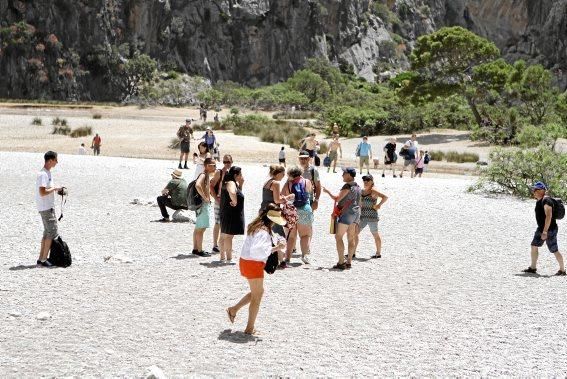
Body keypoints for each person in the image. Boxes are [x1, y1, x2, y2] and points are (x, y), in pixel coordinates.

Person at [226, 204, 287, 335]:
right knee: (257, 296)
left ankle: (233, 310)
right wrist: (276, 248)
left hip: (247, 261)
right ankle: (249, 328)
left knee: (257, 293)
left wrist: (276, 243)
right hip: (253, 263)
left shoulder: (257, 226)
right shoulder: (263, 231)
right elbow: (257, 251)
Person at [522, 182, 565, 275]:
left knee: (554, 249)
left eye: (536, 190)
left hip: (549, 229)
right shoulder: (540, 200)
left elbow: (549, 216)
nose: (534, 191)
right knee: (534, 245)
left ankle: (562, 270)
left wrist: (545, 231)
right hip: (541, 228)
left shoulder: (546, 201)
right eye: (534, 189)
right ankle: (533, 267)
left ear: (542, 190)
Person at [322, 167, 361, 270]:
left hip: (347, 214)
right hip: (356, 214)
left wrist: (327, 192)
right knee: (351, 238)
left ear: (349, 175)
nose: (342, 175)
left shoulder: (347, 186)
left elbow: (337, 198)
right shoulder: (358, 187)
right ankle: (349, 262)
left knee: (338, 237)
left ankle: (340, 262)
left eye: (344, 173)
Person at [281, 165, 313, 265]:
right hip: (305, 209)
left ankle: (287, 258)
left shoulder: (288, 184)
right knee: (305, 235)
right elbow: (310, 192)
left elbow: (282, 196)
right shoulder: (307, 182)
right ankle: (305, 256)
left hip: (291, 210)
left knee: (291, 236)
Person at [36, 151, 64, 267]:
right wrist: (54, 189)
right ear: (50, 160)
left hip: (47, 207)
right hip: (46, 208)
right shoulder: (43, 174)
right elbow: (42, 192)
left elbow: (45, 190)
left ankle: (41, 258)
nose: (57, 162)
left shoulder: (47, 173)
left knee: (46, 232)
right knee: (51, 232)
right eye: (55, 160)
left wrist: (56, 190)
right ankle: (43, 259)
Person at [356, 174, 388, 258]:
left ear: (372, 182)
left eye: (368, 180)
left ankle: (378, 253)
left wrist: (379, 205)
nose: (365, 182)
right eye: (364, 180)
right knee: (355, 233)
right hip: (362, 216)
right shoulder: (362, 191)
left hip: (372, 217)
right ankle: (353, 252)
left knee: (375, 234)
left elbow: (385, 197)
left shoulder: (374, 191)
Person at [219, 166, 245, 262]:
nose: (241, 176)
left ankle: (222, 257)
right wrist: (234, 201)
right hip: (230, 213)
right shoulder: (231, 183)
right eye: (240, 174)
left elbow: (237, 193)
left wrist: (241, 185)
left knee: (224, 235)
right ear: (235, 175)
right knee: (229, 236)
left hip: (226, 212)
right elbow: (232, 192)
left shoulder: (230, 182)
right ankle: (229, 258)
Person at [192, 157, 217, 257]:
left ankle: (195, 248)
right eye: (213, 165)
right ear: (207, 166)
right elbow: (197, 185)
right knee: (201, 228)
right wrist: (205, 197)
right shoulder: (203, 175)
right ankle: (200, 250)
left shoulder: (205, 175)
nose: (215, 167)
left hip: (200, 204)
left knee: (198, 227)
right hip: (203, 204)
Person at [261, 165, 295, 237]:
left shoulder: (267, 182)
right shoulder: (276, 183)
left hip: (263, 210)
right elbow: (277, 200)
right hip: (272, 212)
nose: (283, 176)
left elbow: (272, 197)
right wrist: (289, 197)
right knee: (279, 237)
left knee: (267, 235)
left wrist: (283, 197)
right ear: (279, 174)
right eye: (283, 174)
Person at [210, 154, 233, 253]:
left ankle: (224, 245)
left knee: (227, 223)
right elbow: (211, 186)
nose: (226, 164)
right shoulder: (219, 172)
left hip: (229, 202)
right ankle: (215, 245)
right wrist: (216, 198)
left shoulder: (233, 173)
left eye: (228, 162)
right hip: (219, 200)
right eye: (224, 162)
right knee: (217, 222)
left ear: (232, 162)